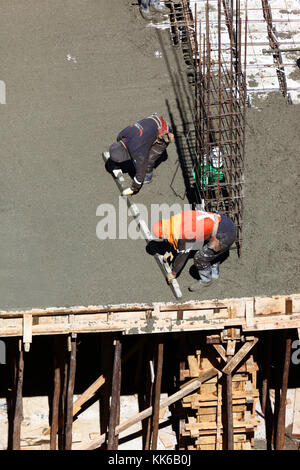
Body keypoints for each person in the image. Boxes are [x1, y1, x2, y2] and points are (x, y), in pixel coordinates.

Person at [152, 209, 236, 291]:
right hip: (223, 221)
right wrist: (172, 251)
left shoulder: (185, 234)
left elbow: (182, 256)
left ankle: (206, 280)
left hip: (226, 235)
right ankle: (214, 263)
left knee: (199, 257)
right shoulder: (177, 219)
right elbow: (175, 238)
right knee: (202, 244)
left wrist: (173, 273)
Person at [108, 113, 174, 196]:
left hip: (163, 131)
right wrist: (116, 166)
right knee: (141, 152)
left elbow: (140, 173)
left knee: (148, 161)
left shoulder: (138, 152)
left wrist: (133, 188)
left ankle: (148, 177)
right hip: (152, 122)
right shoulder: (120, 136)